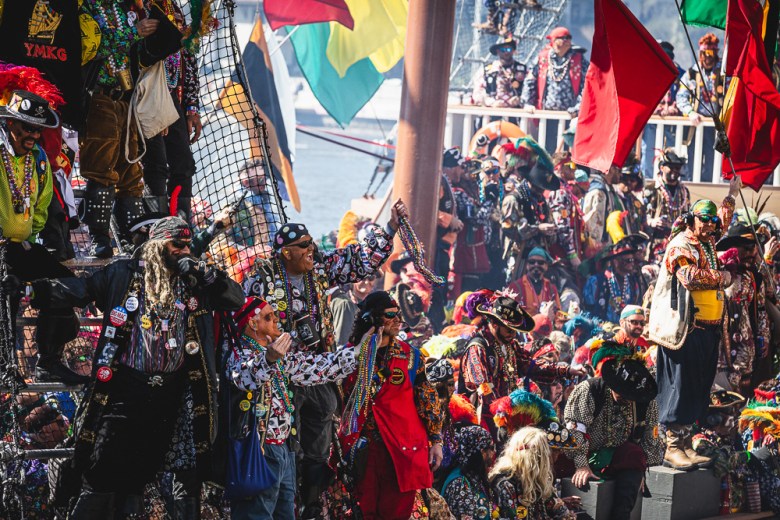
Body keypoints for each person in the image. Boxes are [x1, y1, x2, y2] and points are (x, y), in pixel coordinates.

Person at [26, 216, 244, 517]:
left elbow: (236, 299)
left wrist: (206, 274)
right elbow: (80, 289)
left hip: (169, 394)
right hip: (123, 388)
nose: (184, 251)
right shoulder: (123, 272)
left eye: (187, 245)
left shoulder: (195, 280)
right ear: (157, 244)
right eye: (177, 245)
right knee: (101, 466)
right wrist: (33, 291)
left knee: (143, 471)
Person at [243, 201, 404, 516]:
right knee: (284, 441)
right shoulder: (261, 278)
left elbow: (359, 261)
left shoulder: (319, 267)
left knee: (320, 436)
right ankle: (284, 500)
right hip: (280, 375)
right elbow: (246, 323)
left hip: (319, 369)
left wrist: (390, 228)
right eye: (303, 246)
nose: (311, 250)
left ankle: (312, 505)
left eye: (311, 244)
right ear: (286, 253)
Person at [225, 296, 361, 519]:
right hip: (258, 451)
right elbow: (246, 377)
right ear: (252, 323)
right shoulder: (239, 354)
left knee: (286, 514)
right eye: (269, 317)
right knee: (256, 514)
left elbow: (316, 367)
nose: (276, 320)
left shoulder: (279, 356)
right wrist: (269, 359)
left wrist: (357, 352)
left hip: (284, 450)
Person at [648, 177, 740, 471]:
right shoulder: (681, 244)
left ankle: (686, 442)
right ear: (691, 219)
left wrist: (732, 194)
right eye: (705, 220)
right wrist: (724, 277)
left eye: (713, 221)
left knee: (699, 388)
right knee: (681, 387)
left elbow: (723, 222)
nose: (711, 225)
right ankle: (672, 446)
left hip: (708, 330)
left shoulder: (707, 240)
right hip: (686, 331)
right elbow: (689, 278)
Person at [0, 90, 90, 384]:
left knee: (66, 285)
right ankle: (5, 369)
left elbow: (43, 201)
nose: (34, 135)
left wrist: (29, 231)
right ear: (11, 123)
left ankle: (48, 362)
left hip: (21, 245)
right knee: (7, 292)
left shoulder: (38, 158)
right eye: (27, 128)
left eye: (38, 129)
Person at [339, 291, 443, 520]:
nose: (397, 320)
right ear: (371, 318)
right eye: (390, 315)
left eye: (398, 315)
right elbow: (340, 402)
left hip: (402, 450)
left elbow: (427, 399)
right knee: (362, 512)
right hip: (364, 450)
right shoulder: (348, 357)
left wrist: (436, 441)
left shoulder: (411, 356)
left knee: (396, 513)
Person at [79, 1, 160, 258]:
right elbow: (91, 48)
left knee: (131, 169)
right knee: (101, 166)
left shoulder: (123, 7)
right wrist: (135, 32)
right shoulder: (84, 8)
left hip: (126, 98)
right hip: (99, 97)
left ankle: (133, 236)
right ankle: (100, 236)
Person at [458, 291, 584, 434]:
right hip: (482, 425)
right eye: (509, 329)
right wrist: (502, 416)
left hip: (506, 420)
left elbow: (531, 366)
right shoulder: (478, 349)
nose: (513, 334)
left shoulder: (510, 345)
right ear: (494, 323)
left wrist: (566, 370)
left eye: (515, 330)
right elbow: (483, 389)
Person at [564, 349, 664, 520]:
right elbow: (574, 430)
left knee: (634, 455)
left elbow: (650, 437)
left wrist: (641, 469)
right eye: (622, 393)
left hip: (620, 456)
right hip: (584, 454)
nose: (627, 399)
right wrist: (581, 464)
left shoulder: (646, 401)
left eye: (631, 395)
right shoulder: (590, 390)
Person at [140, 0, 202, 220]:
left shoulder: (172, 8)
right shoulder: (135, 7)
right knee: (156, 164)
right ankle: (156, 226)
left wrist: (192, 106)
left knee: (184, 164)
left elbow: (188, 55)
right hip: (144, 96)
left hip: (174, 97)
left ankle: (180, 226)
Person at [716, 223, 776, 394]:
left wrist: (764, 336)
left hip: (745, 351)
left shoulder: (753, 276)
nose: (751, 253)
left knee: (744, 396)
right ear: (732, 249)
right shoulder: (719, 272)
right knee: (722, 399)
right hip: (721, 352)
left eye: (754, 248)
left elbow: (762, 309)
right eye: (746, 248)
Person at [521, 26, 589, 147]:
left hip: (570, 115)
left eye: (569, 38)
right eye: (563, 38)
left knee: (567, 149)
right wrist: (528, 103)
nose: (567, 41)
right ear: (554, 40)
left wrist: (579, 107)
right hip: (547, 114)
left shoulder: (578, 59)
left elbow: (587, 85)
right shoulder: (542, 58)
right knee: (548, 146)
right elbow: (530, 80)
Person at [489, 427, 576, 519]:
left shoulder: (540, 481)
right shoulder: (504, 484)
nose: (548, 459)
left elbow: (562, 512)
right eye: (544, 454)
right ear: (532, 457)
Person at [676, 33, 725, 183]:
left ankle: (710, 185)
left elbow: (732, 97)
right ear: (700, 54)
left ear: (716, 53)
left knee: (713, 160)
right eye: (705, 53)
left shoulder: (724, 74)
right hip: (695, 125)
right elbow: (681, 97)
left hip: (716, 126)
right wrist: (690, 112)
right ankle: (691, 184)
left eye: (711, 53)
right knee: (693, 159)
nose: (708, 57)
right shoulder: (691, 74)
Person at [435, 147, 466, 331]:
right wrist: (450, 220)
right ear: (453, 167)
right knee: (438, 289)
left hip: (445, 247)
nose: (462, 172)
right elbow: (429, 209)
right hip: (437, 247)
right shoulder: (438, 180)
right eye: (460, 167)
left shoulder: (444, 180)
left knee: (442, 287)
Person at [583, 237, 646, 323]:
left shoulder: (633, 282)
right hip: (600, 327)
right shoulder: (596, 281)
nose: (632, 263)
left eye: (633, 260)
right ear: (616, 262)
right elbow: (587, 310)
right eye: (628, 260)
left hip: (625, 327)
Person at [441, 425, 497, 519]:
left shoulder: (473, 477)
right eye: (491, 447)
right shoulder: (460, 484)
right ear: (482, 452)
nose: (494, 452)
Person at [645, 149, 691, 260]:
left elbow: (688, 217)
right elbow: (641, 217)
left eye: (677, 168)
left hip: (678, 244)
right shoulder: (650, 190)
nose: (675, 171)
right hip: (656, 244)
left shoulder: (684, 192)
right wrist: (652, 222)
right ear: (662, 168)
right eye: (671, 167)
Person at [232, 158, 283, 249]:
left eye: (264, 178)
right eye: (259, 179)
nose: (263, 183)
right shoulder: (237, 205)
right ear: (246, 182)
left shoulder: (265, 205)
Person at [473, 37, 526, 108]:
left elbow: (529, 90)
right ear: (497, 51)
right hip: (492, 110)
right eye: (503, 50)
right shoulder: (487, 70)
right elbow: (477, 92)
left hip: (516, 110)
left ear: (513, 50)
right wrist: (491, 102)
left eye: (509, 49)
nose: (506, 52)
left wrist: (520, 100)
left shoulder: (522, 69)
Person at [507, 247, 561, 316]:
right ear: (527, 265)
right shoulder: (515, 287)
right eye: (532, 262)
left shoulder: (551, 289)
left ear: (546, 266)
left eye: (540, 262)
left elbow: (558, 314)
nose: (536, 265)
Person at [330, 273, 381, 345]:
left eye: (370, 278)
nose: (366, 282)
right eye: (363, 277)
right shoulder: (344, 302)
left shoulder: (373, 308)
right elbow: (341, 341)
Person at [582, 166, 623, 255]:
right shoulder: (599, 192)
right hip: (598, 250)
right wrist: (596, 248)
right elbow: (594, 225)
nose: (621, 174)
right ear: (611, 169)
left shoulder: (608, 189)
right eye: (618, 170)